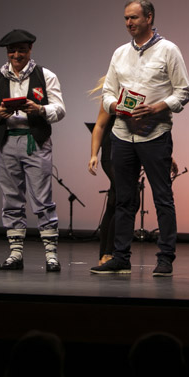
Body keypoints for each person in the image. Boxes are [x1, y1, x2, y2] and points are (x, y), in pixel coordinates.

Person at [91, 0, 189, 277]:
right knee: (124, 199)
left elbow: (184, 92)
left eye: (133, 17)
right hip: (123, 135)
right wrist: (116, 107)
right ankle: (121, 257)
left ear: (149, 18)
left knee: (162, 198)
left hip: (155, 134)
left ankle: (165, 258)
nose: (128, 23)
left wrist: (156, 108)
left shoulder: (168, 50)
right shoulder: (120, 53)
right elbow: (108, 92)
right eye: (126, 18)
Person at [0, 29, 66, 272]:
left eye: (21, 50)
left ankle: (51, 254)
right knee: (11, 198)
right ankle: (15, 253)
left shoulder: (45, 75)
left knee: (42, 198)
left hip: (35, 140)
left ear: (30, 50)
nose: (16, 55)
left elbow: (60, 109)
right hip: (7, 141)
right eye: (12, 51)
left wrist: (39, 109)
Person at [87, 78, 117, 265]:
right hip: (112, 153)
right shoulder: (112, 95)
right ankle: (109, 253)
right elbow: (100, 125)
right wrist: (93, 155)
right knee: (125, 199)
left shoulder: (141, 91)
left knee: (115, 201)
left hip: (129, 152)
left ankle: (106, 254)